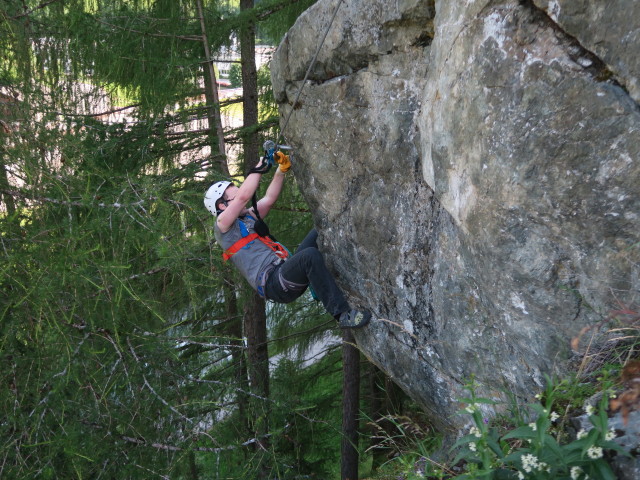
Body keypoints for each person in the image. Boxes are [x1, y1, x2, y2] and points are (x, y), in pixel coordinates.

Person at [204, 153, 370, 328]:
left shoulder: (246, 217)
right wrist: (260, 167)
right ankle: (342, 315)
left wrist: (281, 170)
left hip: (284, 270)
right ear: (222, 205)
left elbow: (268, 199)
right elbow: (244, 197)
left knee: (319, 232)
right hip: (274, 284)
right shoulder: (222, 226)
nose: (240, 201)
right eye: (234, 197)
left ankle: (320, 281)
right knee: (308, 256)